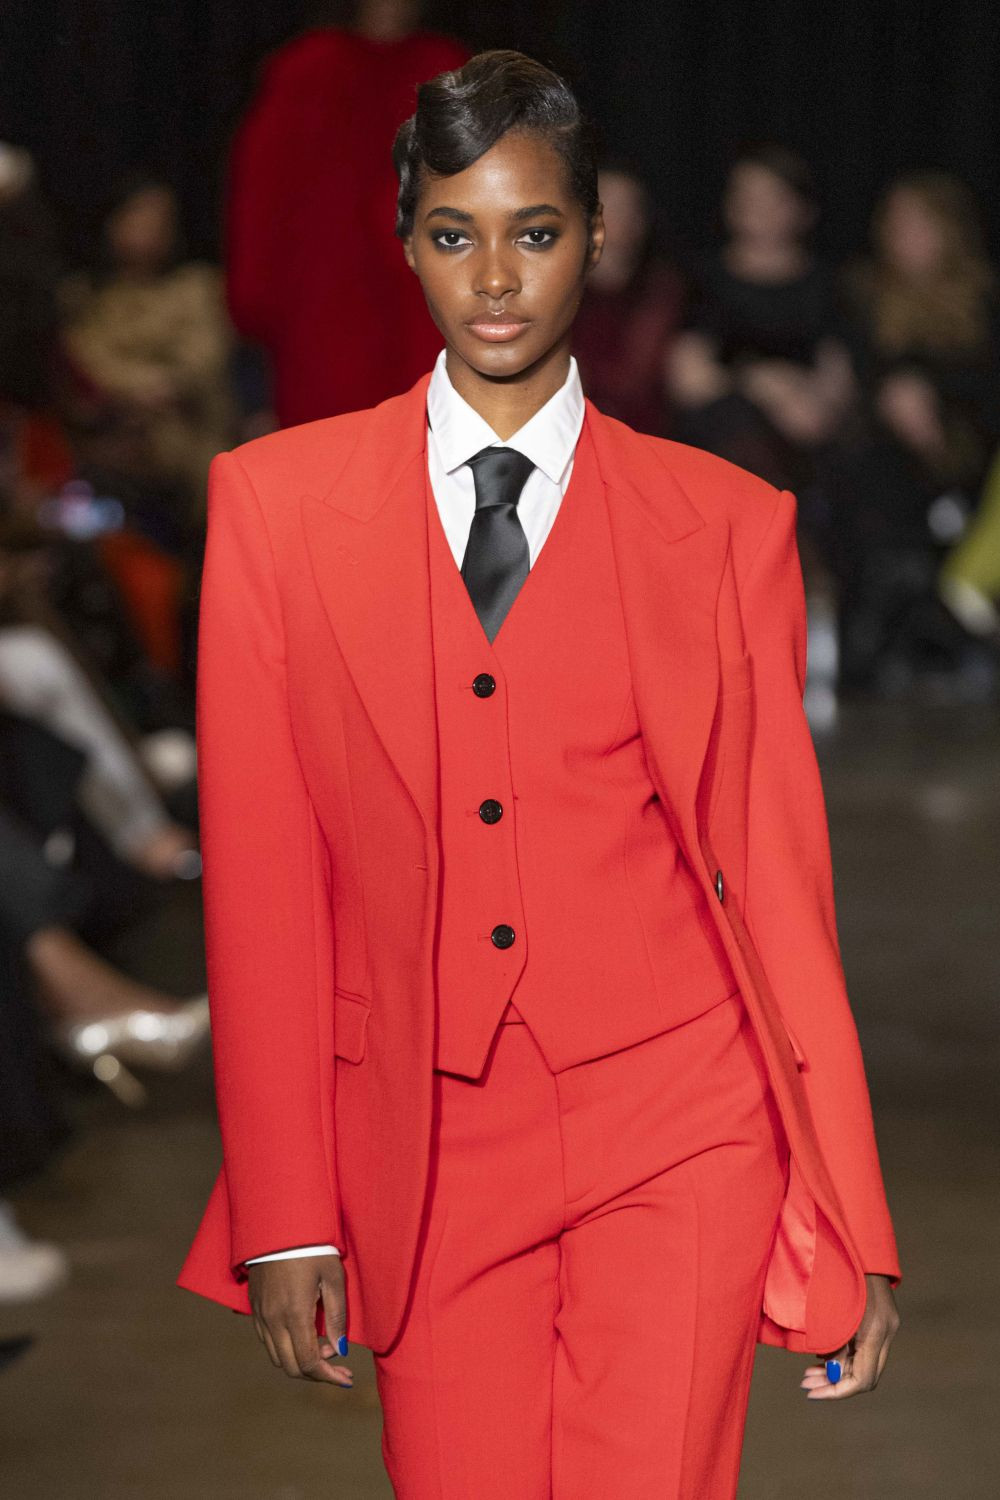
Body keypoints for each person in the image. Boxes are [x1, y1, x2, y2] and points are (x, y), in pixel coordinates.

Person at [178, 51, 900, 1499]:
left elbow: (777, 885)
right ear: (406, 241)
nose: (496, 279)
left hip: (681, 1122)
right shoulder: (277, 508)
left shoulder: (726, 525)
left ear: (597, 239)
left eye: (537, 232)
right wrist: (286, 1215)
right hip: (429, 1138)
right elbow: (263, 883)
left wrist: (853, 1216)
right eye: (455, 234)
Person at [225, 0, 466, 426]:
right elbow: (263, 196)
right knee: (331, 441)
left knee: (426, 437)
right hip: (324, 306)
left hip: (423, 301)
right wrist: (256, 302)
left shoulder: (447, 72)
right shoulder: (306, 71)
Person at [668, 143, 853, 495]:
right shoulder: (705, 279)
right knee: (742, 434)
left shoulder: (828, 283)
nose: (758, 208)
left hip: (805, 426)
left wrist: (812, 405)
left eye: (773, 198)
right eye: (747, 196)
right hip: (725, 424)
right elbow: (689, 379)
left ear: (803, 209)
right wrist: (767, 386)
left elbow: (837, 379)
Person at [572, 161, 683, 435]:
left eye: (628, 207)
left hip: (648, 433)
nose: (618, 218)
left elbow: (642, 374)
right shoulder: (555, 289)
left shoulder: (661, 288)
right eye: (607, 206)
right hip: (572, 427)